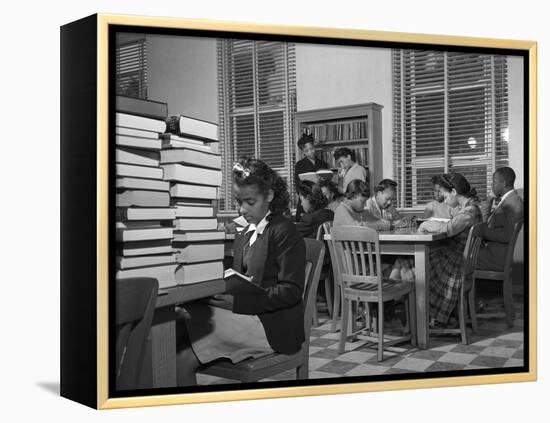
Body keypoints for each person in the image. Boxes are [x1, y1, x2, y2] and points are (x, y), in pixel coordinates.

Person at [176, 158, 306, 386]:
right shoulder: (244, 229)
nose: (242, 209)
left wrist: (237, 304)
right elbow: (240, 278)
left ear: (270, 196)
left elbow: (292, 291)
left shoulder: (285, 231)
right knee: (175, 328)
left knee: (180, 353)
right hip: (246, 315)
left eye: (250, 202)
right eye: (238, 201)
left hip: (273, 327)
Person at [418, 172, 482, 327]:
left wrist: (425, 224)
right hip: (458, 259)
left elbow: (449, 228)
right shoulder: (470, 207)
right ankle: (418, 317)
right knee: (409, 263)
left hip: (456, 263)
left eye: (445, 196)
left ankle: (417, 319)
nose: (445, 200)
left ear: (454, 191)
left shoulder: (469, 211)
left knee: (411, 264)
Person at [477, 167, 524, 271]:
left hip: (497, 258)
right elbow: (484, 222)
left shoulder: (512, 203)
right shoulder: (508, 199)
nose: (491, 185)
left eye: (494, 182)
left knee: (458, 256)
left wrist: (483, 232)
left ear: (504, 183)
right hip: (495, 252)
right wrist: (489, 199)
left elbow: (508, 235)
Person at [294, 133, 330, 221]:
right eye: (307, 150)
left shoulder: (322, 164)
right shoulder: (300, 165)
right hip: (306, 199)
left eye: (312, 148)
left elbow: (328, 182)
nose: (311, 152)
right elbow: (297, 185)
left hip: (320, 200)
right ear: (303, 152)